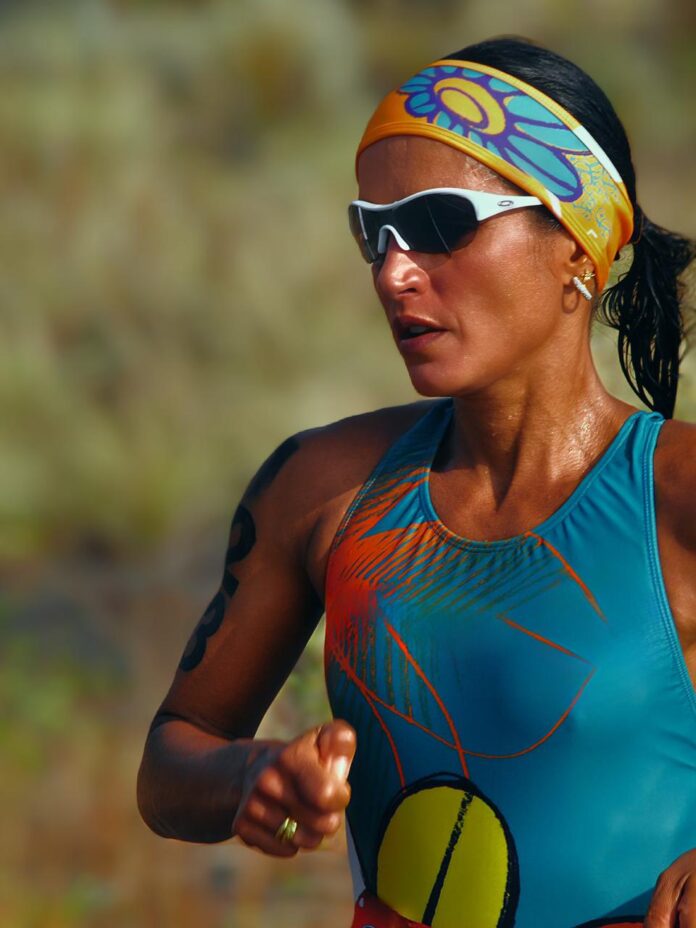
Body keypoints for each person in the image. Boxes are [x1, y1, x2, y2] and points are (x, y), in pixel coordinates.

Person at [137, 36, 696, 928]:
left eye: (440, 224)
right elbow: (172, 759)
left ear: (577, 244)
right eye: (375, 232)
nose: (395, 272)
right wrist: (249, 777)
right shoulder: (320, 489)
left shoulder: (675, 495)